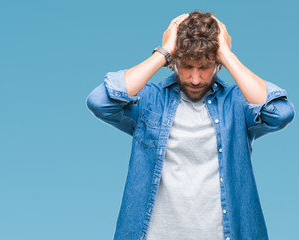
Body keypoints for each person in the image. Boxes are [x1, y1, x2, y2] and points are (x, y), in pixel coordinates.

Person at [85, 10, 295, 240]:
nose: (195, 79)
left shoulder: (235, 103)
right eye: (186, 66)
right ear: (174, 62)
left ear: (217, 63)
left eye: (205, 67)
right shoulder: (150, 101)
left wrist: (226, 53)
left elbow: (280, 113)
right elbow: (100, 102)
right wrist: (163, 52)